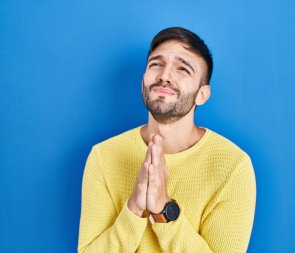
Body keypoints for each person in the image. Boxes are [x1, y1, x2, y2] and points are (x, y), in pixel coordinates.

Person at [78, 27, 256, 253]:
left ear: (202, 94)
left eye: (183, 69)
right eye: (156, 64)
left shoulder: (233, 166)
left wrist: (164, 209)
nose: (164, 75)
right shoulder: (103, 156)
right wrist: (133, 209)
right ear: (143, 81)